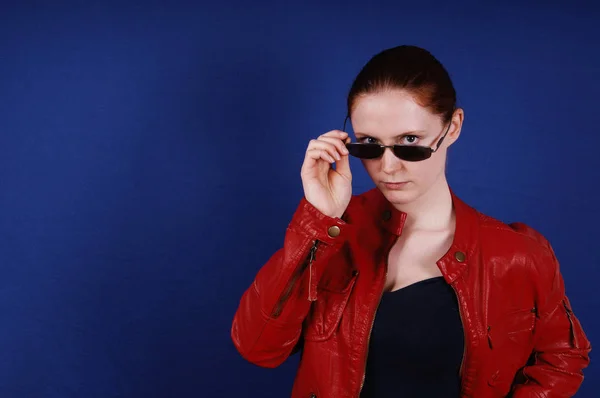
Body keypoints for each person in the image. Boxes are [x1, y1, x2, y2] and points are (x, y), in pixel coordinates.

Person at [230, 45, 591, 397]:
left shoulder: (515, 254)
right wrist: (319, 219)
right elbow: (258, 348)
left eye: (409, 141)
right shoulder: (332, 234)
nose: (388, 167)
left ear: (452, 127)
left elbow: (562, 358)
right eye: (369, 143)